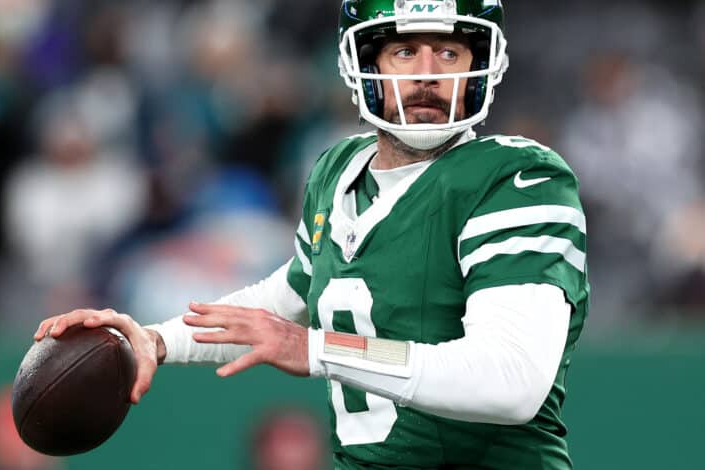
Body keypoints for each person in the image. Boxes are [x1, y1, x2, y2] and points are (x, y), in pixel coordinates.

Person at [34, 1, 589, 468]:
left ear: (481, 62)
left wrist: (316, 349)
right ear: (363, 62)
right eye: (404, 51)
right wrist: (155, 340)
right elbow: (290, 296)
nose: (427, 73)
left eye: (448, 51)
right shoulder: (337, 172)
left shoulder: (517, 179)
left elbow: (512, 379)